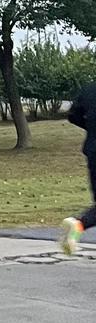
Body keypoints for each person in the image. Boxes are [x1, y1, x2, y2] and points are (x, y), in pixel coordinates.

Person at [59, 73, 96, 254]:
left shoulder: (89, 90)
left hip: (93, 151)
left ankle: (78, 225)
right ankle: (78, 224)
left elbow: (73, 116)